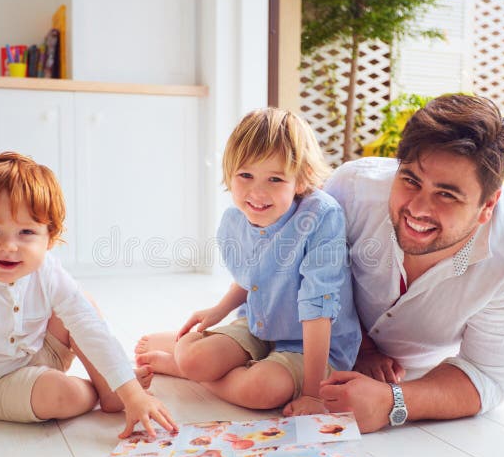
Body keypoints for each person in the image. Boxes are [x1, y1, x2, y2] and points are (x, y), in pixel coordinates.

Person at [0, 152, 177, 457]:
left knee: (81, 304)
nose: (8, 245)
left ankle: (116, 390)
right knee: (62, 394)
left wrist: (132, 393)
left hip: (37, 352)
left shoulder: (47, 270)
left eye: (26, 232)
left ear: (50, 237)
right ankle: (99, 391)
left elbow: (87, 325)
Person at [319, 94, 504, 433]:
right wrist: (361, 345)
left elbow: (487, 376)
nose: (419, 209)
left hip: (411, 374)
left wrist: (391, 402)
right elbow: (307, 272)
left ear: (487, 205)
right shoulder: (350, 190)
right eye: (410, 180)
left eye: (447, 194)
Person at [136, 108, 361, 416]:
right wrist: (218, 310)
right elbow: (251, 278)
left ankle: (188, 372)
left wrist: (313, 394)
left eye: (275, 179)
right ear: (230, 173)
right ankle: (188, 365)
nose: (257, 192)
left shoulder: (321, 217)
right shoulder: (235, 220)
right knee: (193, 357)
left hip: (312, 345)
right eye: (246, 175)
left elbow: (318, 306)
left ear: (300, 181)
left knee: (261, 389)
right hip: (259, 323)